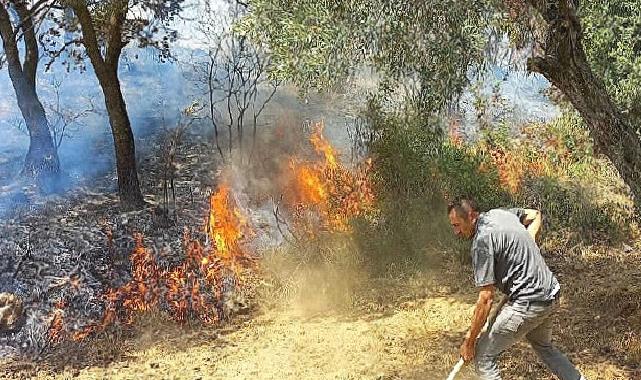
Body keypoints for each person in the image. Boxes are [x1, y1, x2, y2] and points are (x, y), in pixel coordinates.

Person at [447, 198, 586, 380]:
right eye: (453, 226)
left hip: (529, 303)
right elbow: (535, 215)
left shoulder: (481, 242)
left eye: (457, 225)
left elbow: (486, 299)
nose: (456, 232)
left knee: (483, 356)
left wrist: (470, 341)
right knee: (544, 346)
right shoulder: (500, 213)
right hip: (550, 293)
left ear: (472, 216)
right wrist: (530, 238)